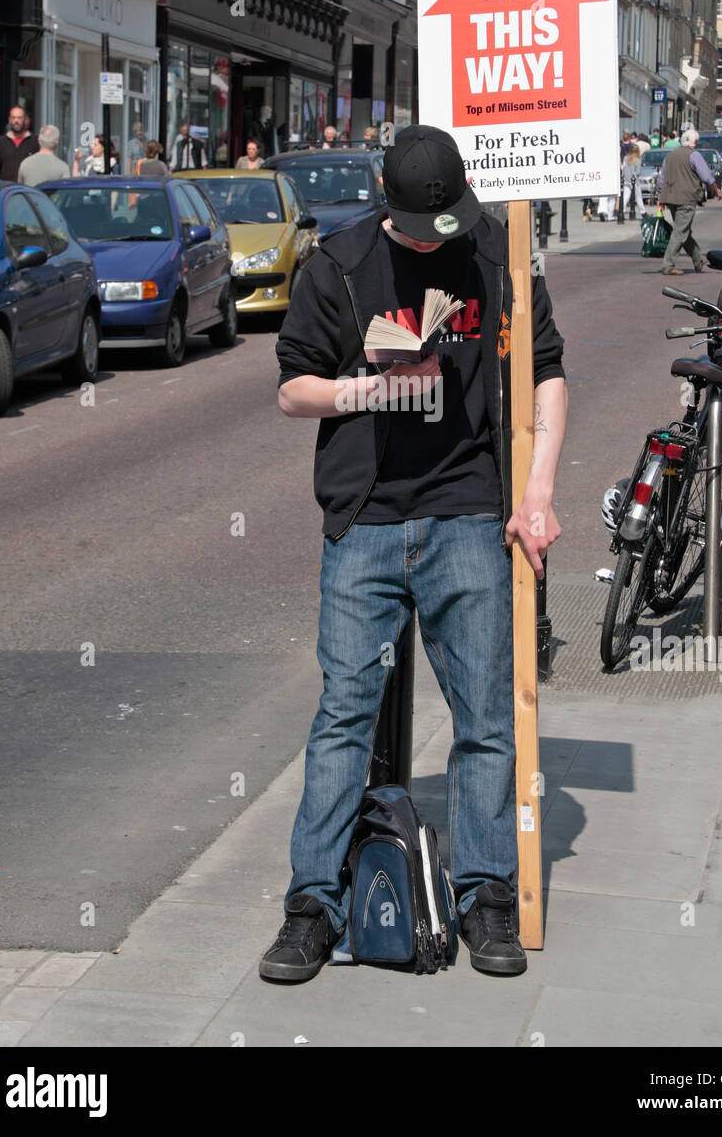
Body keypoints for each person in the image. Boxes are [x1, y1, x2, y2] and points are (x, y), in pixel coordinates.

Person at [259, 124, 568, 984]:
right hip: (366, 518)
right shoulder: (340, 263)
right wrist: (371, 387)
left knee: (486, 719)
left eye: (449, 220)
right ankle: (311, 907)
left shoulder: (494, 255)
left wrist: (536, 493)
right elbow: (291, 388)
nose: (441, 238)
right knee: (342, 720)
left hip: (469, 510)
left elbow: (547, 370)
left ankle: (485, 896)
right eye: (422, 225)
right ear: (388, 207)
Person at [657, 126, 722, 276]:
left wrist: (660, 195)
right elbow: (706, 176)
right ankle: (668, 264)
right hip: (686, 198)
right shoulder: (694, 155)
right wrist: (716, 189)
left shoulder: (670, 155)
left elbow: (662, 178)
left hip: (671, 198)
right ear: (694, 142)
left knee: (682, 230)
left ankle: (698, 258)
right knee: (680, 231)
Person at [0, 106, 39, 180]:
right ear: (9, 120)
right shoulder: (1, 142)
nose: (16, 121)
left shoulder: (34, 141)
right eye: (13, 117)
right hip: (7, 189)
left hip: (27, 189)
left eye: (19, 118)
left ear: (25, 120)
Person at [620, 142, 644, 220]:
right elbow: (638, 172)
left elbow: (623, 169)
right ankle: (643, 212)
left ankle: (621, 211)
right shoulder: (638, 159)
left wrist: (623, 177)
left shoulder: (625, 158)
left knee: (626, 197)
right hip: (635, 182)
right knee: (638, 197)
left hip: (626, 180)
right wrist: (634, 176)